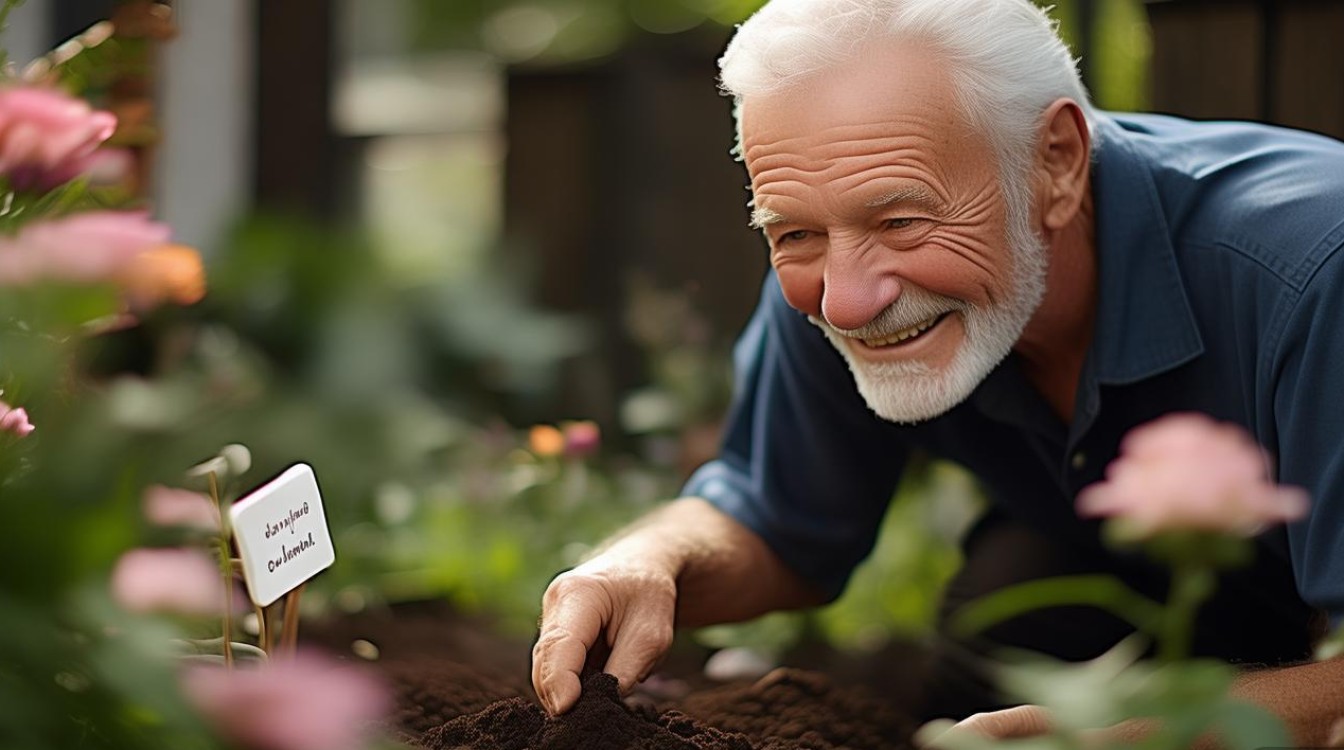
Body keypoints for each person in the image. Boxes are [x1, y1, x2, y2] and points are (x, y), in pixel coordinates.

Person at [531, 0, 1344, 743]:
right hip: (1172, 585)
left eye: (902, 219)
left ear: (1055, 161)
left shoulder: (1314, 276)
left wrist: (1139, 737)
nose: (844, 302)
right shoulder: (836, 276)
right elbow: (773, 518)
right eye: (793, 232)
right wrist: (645, 562)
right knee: (1018, 611)